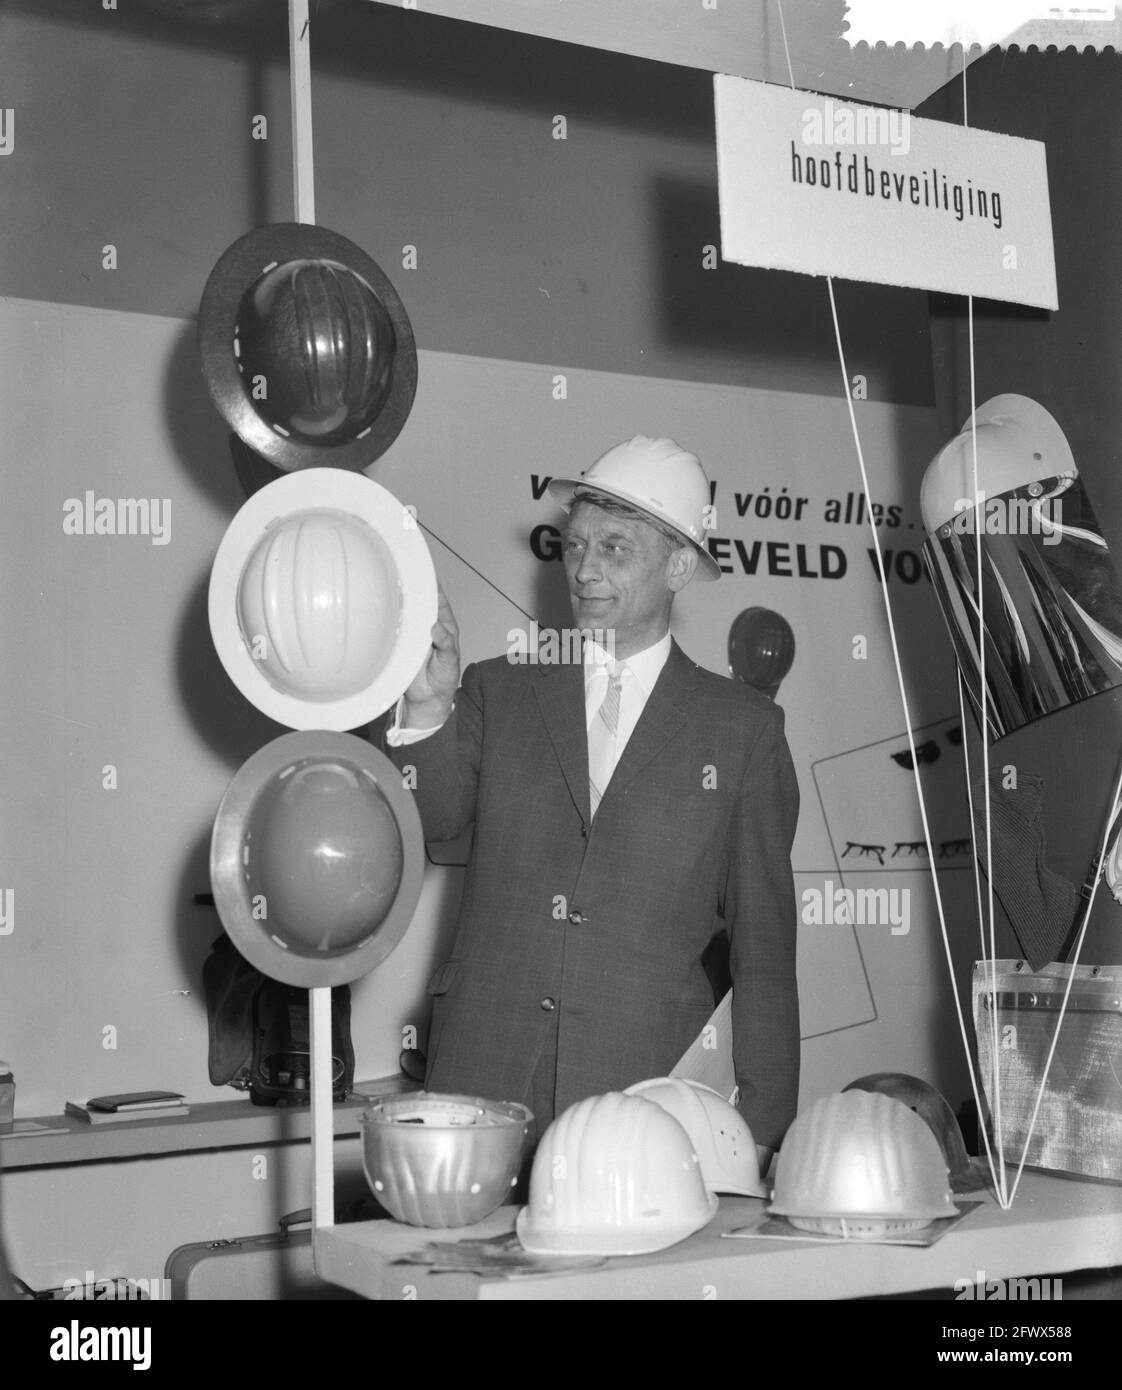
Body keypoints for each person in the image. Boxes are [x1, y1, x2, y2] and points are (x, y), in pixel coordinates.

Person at [383, 436, 800, 1165]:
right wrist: (425, 709)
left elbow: (764, 955)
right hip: (480, 1081)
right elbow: (432, 820)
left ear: (678, 566)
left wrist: (761, 1135)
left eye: (614, 548)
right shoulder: (495, 689)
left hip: (644, 1099)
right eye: (575, 547)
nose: (584, 570)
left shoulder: (743, 733)